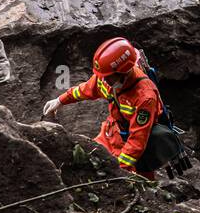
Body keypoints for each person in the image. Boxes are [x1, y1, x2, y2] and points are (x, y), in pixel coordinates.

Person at [44, 36, 165, 180]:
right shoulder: (108, 76)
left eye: (107, 77)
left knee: (138, 183)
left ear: (124, 72)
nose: (103, 80)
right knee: (91, 163)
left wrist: (119, 169)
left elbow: (137, 141)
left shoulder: (145, 97)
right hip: (110, 134)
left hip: (134, 150)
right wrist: (60, 100)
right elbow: (86, 89)